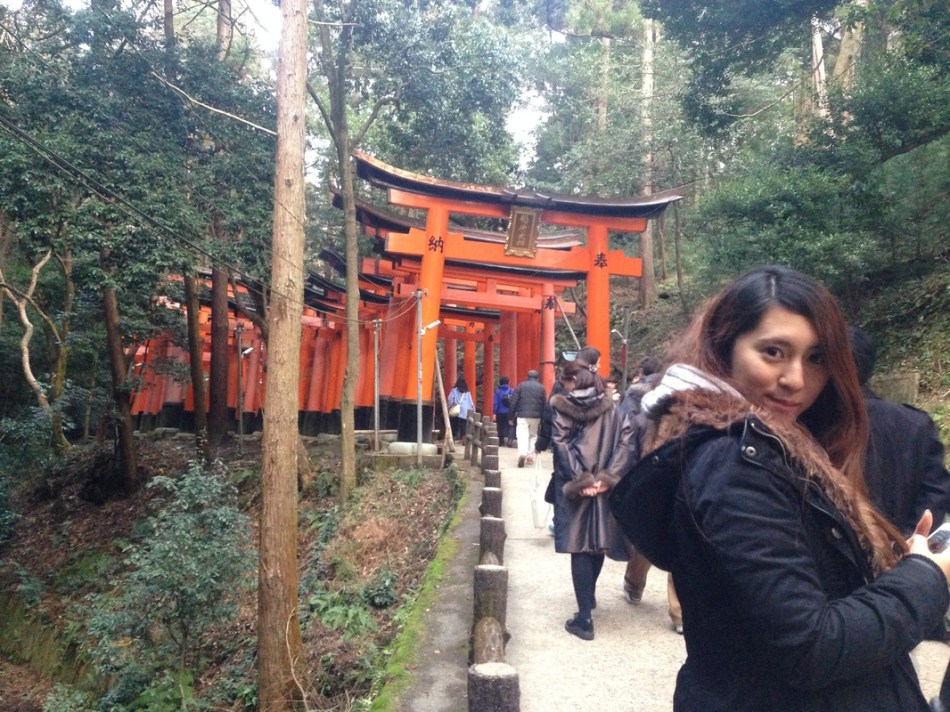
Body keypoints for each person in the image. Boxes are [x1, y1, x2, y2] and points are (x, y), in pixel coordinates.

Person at [610, 265, 950, 711]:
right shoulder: (736, 463)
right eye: (773, 352)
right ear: (724, 346)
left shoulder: (785, 444)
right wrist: (929, 577)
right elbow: (810, 647)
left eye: (815, 358)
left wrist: (885, 569)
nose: (796, 379)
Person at [550, 346, 635, 641]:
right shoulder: (615, 409)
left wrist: (580, 480)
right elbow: (627, 443)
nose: (565, 386)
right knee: (599, 542)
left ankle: (584, 617)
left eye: (567, 381)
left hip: (577, 490)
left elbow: (560, 445)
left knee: (580, 546)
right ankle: (590, 597)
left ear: (576, 381)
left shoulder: (564, 409)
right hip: (605, 487)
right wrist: (607, 478)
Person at [848, 325, 950, 535]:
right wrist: (906, 546)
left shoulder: (808, 424)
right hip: (907, 553)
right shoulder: (915, 424)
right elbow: (937, 496)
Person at [617, 356, 684, 634]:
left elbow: (639, 444)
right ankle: (679, 612)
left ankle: (636, 585)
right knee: (681, 545)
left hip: (658, 480)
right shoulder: (703, 412)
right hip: (683, 482)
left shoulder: (652, 408)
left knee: (652, 540)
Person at [508, 369, 547, 467]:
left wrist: (511, 416)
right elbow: (544, 404)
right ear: (537, 378)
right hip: (536, 416)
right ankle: (530, 456)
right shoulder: (541, 388)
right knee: (533, 435)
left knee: (522, 435)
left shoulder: (521, 386)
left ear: (527, 376)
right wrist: (543, 418)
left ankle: (522, 453)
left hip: (522, 415)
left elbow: (513, 402)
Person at [446, 376, 475, 441]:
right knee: (463, 425)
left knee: (454, 424)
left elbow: (450, 399)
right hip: (465, 411)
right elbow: (471, 403)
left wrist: (450, 406)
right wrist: (473, 410)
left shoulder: (454, 390)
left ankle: (453, 438)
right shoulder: (467, 392)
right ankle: (463, 439)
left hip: (456, 410)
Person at [492, 376, 515, 447]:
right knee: (510, 426)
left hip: (500, 412)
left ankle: (501, 442)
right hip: (509, 411)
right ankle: (510, 440)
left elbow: (496, 403)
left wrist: (494, 412)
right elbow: (514, 402)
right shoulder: (512, 391)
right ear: (508, 382)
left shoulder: (497, 391)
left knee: (500, 426)